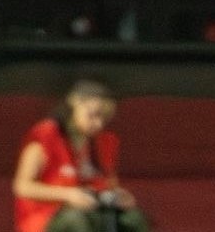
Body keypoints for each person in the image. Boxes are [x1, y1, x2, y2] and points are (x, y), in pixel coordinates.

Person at [13, 79, 149, 232]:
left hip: (91, 209)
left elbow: (109, 183)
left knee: (133, 218)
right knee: (76, 220)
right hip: (47, 216)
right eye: (93, 116)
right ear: (73, 107)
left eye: (104, 118)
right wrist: (68, 195)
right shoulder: (45, 137)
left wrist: (118, 195)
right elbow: (22, 187)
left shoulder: (104, 142)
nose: (99, 124)